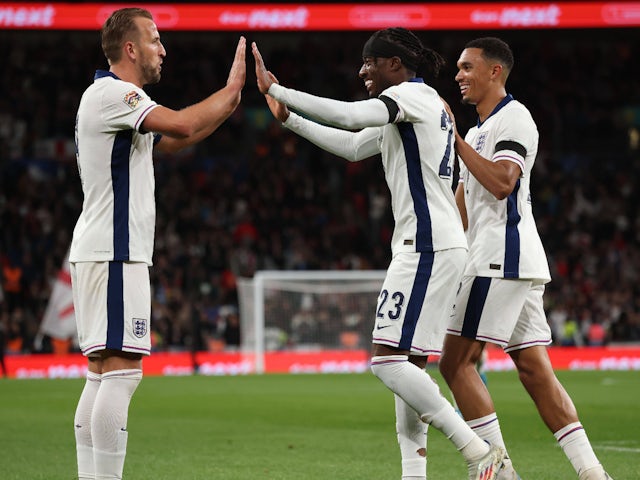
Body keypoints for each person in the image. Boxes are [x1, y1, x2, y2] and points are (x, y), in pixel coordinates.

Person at [253, 27, 505, 480]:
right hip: (434, 244)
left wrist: (277, 87)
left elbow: (351, 118)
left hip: (427, 245)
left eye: (370, 62)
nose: (362, 70)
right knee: (407, 366)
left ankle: (476, 449)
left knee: (386, 360)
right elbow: (353, 147)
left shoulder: (412, 97)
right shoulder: (418, 109)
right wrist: (289, 118)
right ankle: (414, 474)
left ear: (394, 64)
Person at [70, 7, 245, 479]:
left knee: (103, 373)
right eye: (154, 39)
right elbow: (183, 125)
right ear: (130, 49)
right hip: (114, 250)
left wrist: (229, 106)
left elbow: (174, 141)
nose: (162, 49)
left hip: (101, 249)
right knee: (123, 373)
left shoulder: (110, 102)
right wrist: (230, 91)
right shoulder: (117, 93)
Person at [438, 37, 613, 480]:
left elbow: (502, 182)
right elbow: (465, 202)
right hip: (506, 260)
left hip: (500, 258)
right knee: (535, 372)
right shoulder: (478, 131)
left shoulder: (514, 118)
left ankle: (498, 473)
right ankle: (594, 474)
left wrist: (455, 141)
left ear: (495, 71)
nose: (458, 75)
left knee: (455, 363)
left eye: (466, 67)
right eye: (458, 68)